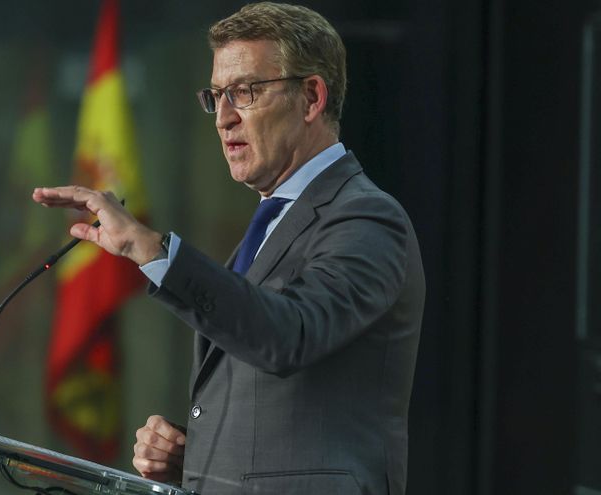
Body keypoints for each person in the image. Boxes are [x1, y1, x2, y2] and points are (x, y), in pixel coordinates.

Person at [33, 2, 425, 494]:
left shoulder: (366, 217)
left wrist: (153, 249)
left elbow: (291, 334)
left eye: (245, 92)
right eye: (216, 96)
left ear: (311, 97)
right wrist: (195, 453)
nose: (223, 118)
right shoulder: (270, 226)